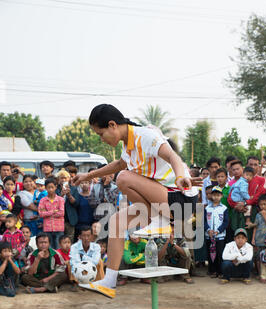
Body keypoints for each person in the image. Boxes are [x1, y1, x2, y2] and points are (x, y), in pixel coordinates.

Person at [73, 104, 198, 298]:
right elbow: (118, 164)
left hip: (179, 199)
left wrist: (182, 176)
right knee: (116, 222)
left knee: (123, 177)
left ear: (112, 125)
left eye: (101, 133)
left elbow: (172, 155)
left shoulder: (145, 136)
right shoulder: (128, 146)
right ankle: (109, 281)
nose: (101, 139)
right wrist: (88, 176)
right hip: (161, 200)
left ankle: (161, 221)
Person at [249, 194, 266, 273]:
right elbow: (256, 226)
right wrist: (253, 238)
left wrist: (264, 215)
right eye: (261, 205)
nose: (263, 206)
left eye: (265, 204)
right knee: (258, 257)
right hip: (258, 240)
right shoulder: (258, 215)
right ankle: (259, 273)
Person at [204, 187, 229, 278]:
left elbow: (226, 222)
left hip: (220, 236)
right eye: (214, 195)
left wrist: (218, 231)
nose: (216, 197)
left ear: (221, 196)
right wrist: (208, 230)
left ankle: (220, 271)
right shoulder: (207, 208)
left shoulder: (224, 208)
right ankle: (212, 270)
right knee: (210, 253)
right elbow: (204, 221)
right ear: (211, 196)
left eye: (218, 195)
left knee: (219, 254)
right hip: (209, 236)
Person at [38, 177, 65, 250]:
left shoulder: (60, 199)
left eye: (52, 187)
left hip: (59, 228)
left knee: (59, 249)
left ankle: (59, 262)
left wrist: (47, 213)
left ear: (56, 187)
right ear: (45, 188)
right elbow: (41, 214)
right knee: (49, 249)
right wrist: (53, 211)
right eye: (48, 187)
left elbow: (61, 213)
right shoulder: (43, 200)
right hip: (47, 228)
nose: (50, 189)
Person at [55, 169, 80, 243]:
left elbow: (76, 204)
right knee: (59, 240)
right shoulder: (55, 189)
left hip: (70, 220)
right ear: (58, 179)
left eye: (65, 178)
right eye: (61, 178)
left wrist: (69, 195)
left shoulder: (73, 189)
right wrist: (62, 195)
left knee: (70, 240)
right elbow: (54, 204)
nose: (63, 179)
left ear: (69, 179)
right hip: (58, 220)